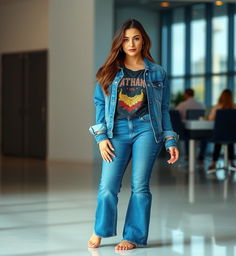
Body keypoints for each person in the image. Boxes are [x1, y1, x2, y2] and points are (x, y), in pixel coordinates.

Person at [88, 19, 179, 251]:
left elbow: (163, 108)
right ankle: (101, 229)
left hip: (146, 129)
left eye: (136, 38)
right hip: (115, 130)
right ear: (120, 42)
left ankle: (134, 236)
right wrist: (101, 138)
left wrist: (170, 139)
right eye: (126, 39)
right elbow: (100, 104)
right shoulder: (108, 71)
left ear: (143, 41)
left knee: (140, 185)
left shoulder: (157, 72)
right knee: (107, 186)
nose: (131, 43)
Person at [207, 89, 236, 170]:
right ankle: (232, 161)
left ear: (221, 96)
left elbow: (210, 118)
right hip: (233, 135)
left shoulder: (217, 107)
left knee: (219, 140)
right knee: (230, 139)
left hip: (219, 135)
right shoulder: (235, 107)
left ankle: (213, 163)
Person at [175, 88, 206, 163]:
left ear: (186, 95)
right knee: (205, 137)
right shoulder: (201, 105)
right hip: (200, 131)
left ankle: (187, 156)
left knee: (187, 135)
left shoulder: (182, 105)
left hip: (187, 132)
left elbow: (175, 115)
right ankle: (201, 157)